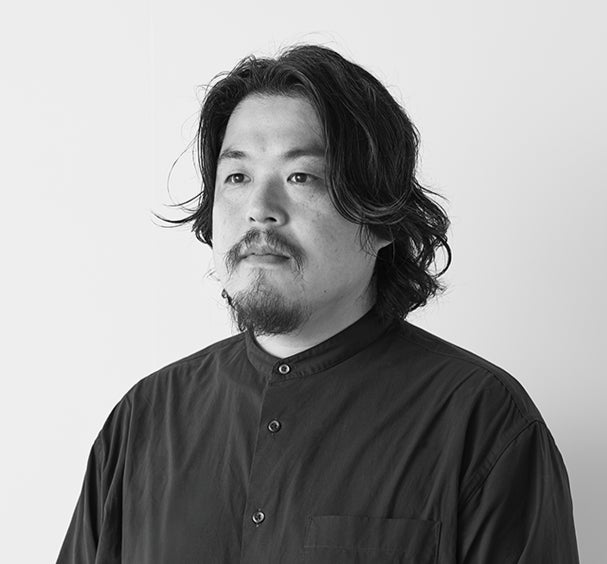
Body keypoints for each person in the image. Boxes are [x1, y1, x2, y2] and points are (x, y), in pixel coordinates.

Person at [57, 45, 579, 563]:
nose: (259, 210)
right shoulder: (142, 421)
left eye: (301, 177)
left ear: (381, 219)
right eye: (237, 177)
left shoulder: (483, 423)